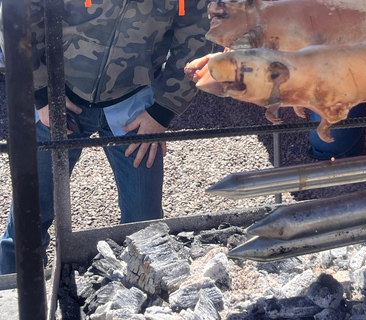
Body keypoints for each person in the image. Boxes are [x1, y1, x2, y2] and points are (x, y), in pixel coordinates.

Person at [0, 0, 213, 274]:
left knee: (145, 227)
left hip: (137, 106)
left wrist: (163, 110)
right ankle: (13, 302)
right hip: (57, 94)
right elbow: (18, 14)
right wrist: (40, 92)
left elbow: (195, 34)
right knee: (27, 222)